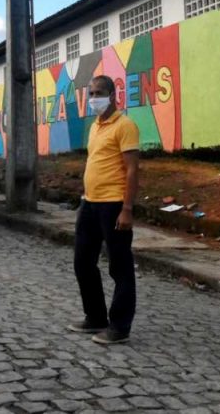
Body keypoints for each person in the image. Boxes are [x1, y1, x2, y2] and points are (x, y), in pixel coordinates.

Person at [68, 75, 140, 345]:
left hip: (113, 205)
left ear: (112, 95)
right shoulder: (95, 126)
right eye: (91, 93)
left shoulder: (125, 125)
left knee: (120, 267)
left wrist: (127, 208)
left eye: (99, 93)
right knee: (82, 262)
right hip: (89, 203)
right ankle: (95, 317)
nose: (94, 98)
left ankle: (120, 326)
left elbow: (132, 169)